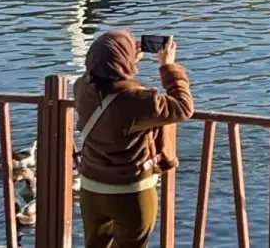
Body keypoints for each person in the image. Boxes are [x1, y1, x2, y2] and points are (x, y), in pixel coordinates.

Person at [75, 30, 194, 248]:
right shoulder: (139, 100)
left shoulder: (81, 88)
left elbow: (103, 77)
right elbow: (183, 108)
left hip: (91, 186)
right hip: (131, 190)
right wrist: (167, 67)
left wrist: (125, 60)